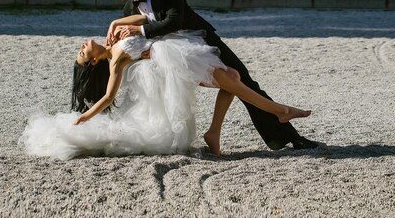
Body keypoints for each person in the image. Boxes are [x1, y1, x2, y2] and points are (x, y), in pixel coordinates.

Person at [105, 0, 320, 150]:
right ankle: (273, 125)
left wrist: (141, 31)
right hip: (181, 56)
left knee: (243, 80)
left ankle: (290, 137)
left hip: (204, 40)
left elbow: (175, 21)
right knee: (234, 81)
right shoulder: (128, 8)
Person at [19, 28, 310, 160]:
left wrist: (117, 26)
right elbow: (108, 97)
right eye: (83, 54)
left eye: (81, 49)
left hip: (176, 51)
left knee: (232, 78)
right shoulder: (116, 63)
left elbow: (139, 20)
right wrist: (85, 116)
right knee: (230, 79)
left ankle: (214, 134)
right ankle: (279, 110)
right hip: (174, 61)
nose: (83, 46)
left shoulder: (114, 38)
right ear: (94, 61)